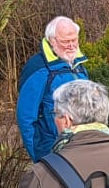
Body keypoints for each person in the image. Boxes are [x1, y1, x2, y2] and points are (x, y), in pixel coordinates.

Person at [15, 15, 89, 162]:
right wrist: (39, 156)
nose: (72, 45)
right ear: (52, 40)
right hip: (52, 149)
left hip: (82, 145)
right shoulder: (38, 69)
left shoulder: (79, 65)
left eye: (74, 40)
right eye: (65, 41)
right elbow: (26, 117)